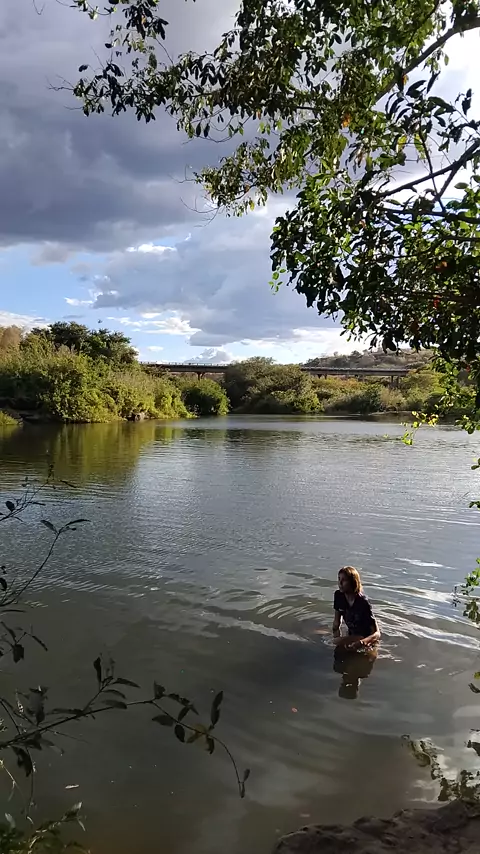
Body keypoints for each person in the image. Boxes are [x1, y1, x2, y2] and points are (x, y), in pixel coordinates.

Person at [332, 565, 380, 651]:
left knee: (333, 642)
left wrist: (362, 642)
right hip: (352, 635)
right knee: (330, 641)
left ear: (353, 582)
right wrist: (336, 637)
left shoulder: (363, 602)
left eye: (344, 580)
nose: (340, 583)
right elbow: (336, 624)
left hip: (365, 638)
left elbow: (377, 633)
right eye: (339, 579)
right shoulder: (339, 596)